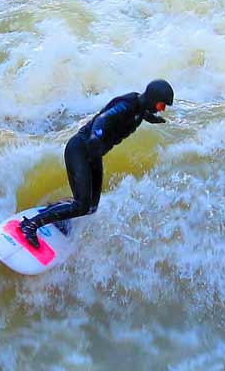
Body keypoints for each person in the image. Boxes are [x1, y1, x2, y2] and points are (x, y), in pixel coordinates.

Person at [19, 79, 175, 249]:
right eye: (161, 105)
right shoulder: (127, 104)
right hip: (80, 150)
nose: (162, 109)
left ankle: (58, 211)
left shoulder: (140, 108)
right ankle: (31, 225)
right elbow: (103, 118)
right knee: (82, 205)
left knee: (91, 207)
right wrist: (95, 136)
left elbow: (139, 114)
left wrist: (151, 118)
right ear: (153, 99)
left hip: (93, 156)